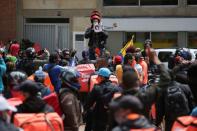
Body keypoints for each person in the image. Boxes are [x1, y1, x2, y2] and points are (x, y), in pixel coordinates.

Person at [121, 49, 171, 120]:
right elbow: (166, 79)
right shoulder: (144, 96)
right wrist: (156, 59)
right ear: (136, 82)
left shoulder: (117, 100)